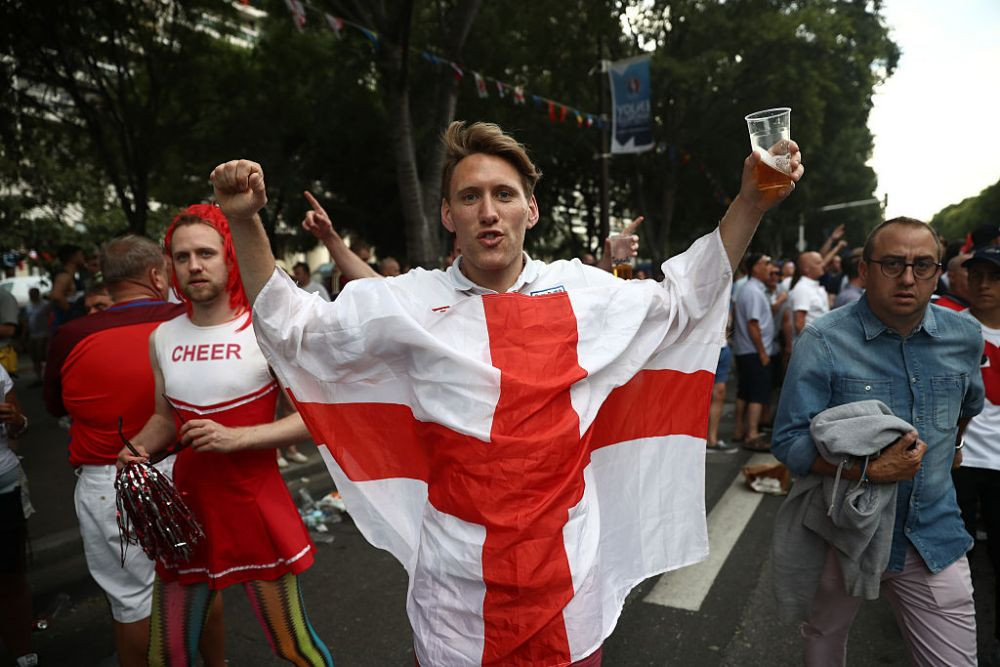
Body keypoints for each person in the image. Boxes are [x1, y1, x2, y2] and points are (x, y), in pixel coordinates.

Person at [210, 120, 803, 665]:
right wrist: (243, 219)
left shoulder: (583, 292)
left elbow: (683, 296)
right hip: (457, 600)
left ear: (531, 209)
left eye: (504, 195)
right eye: (470, 197)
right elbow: (292, 325)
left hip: (568, 591)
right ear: (448, 215)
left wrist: (751, 200)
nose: (488, 212)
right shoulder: (407, 302)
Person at [118, 205, 332, 667]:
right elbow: (165, 418)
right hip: (186, 516)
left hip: (255, 508)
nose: (194, 265)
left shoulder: (263, 328)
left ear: (229, 258)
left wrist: (239, 438)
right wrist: (135, 447)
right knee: (166, 654)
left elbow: (317, 420)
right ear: (169, 267)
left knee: (293, 646)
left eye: (205, 253)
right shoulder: (163, 336)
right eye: (181, 256)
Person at [772, 216, 984, 666]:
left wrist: (954, 450)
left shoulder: (964, 335)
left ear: (938, 271)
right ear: (865, 271)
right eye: (892, 264)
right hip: (843, 533)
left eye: (923, 265)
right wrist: (867, 470)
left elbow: (968, 407)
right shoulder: (824, 340)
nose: (908, 278)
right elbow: (788, 440)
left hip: (932, 535)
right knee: (824, 640)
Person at [44, 235, 224, 667]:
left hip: (112, 480)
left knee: (133, 603)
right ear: (157, 275)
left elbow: (55, 406)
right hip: (187, 468)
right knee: (203, 581)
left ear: (106, 282)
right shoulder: (188, 321)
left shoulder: (70, 336)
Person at [954, 246, 1000, 665]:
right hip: (961, 464)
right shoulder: (951, 329)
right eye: (977, 275)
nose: (983, 284)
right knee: (957, 563)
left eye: (993, 276)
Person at [0, 365, 35, 667]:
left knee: (12, 575)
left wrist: (15, 420)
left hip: (5, 489)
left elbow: (21, 425)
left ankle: (24, 655)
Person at [732, 253, 778, 451]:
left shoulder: (752, 289)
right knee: (757, 394)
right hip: (753, 351)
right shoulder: (752, 291)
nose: (771, 267)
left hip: (747, 350)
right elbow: (753, 324)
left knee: (745, 391)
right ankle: (752, 433)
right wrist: (762, 353)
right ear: (754, 268)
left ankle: (739, 430)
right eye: (766, 263)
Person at [789, 250, 829, 338]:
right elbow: (799, 324)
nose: (823, 265)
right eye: (818, 263)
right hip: (811, 345)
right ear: (806, 269)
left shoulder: (813, 286)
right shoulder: (802, 288)